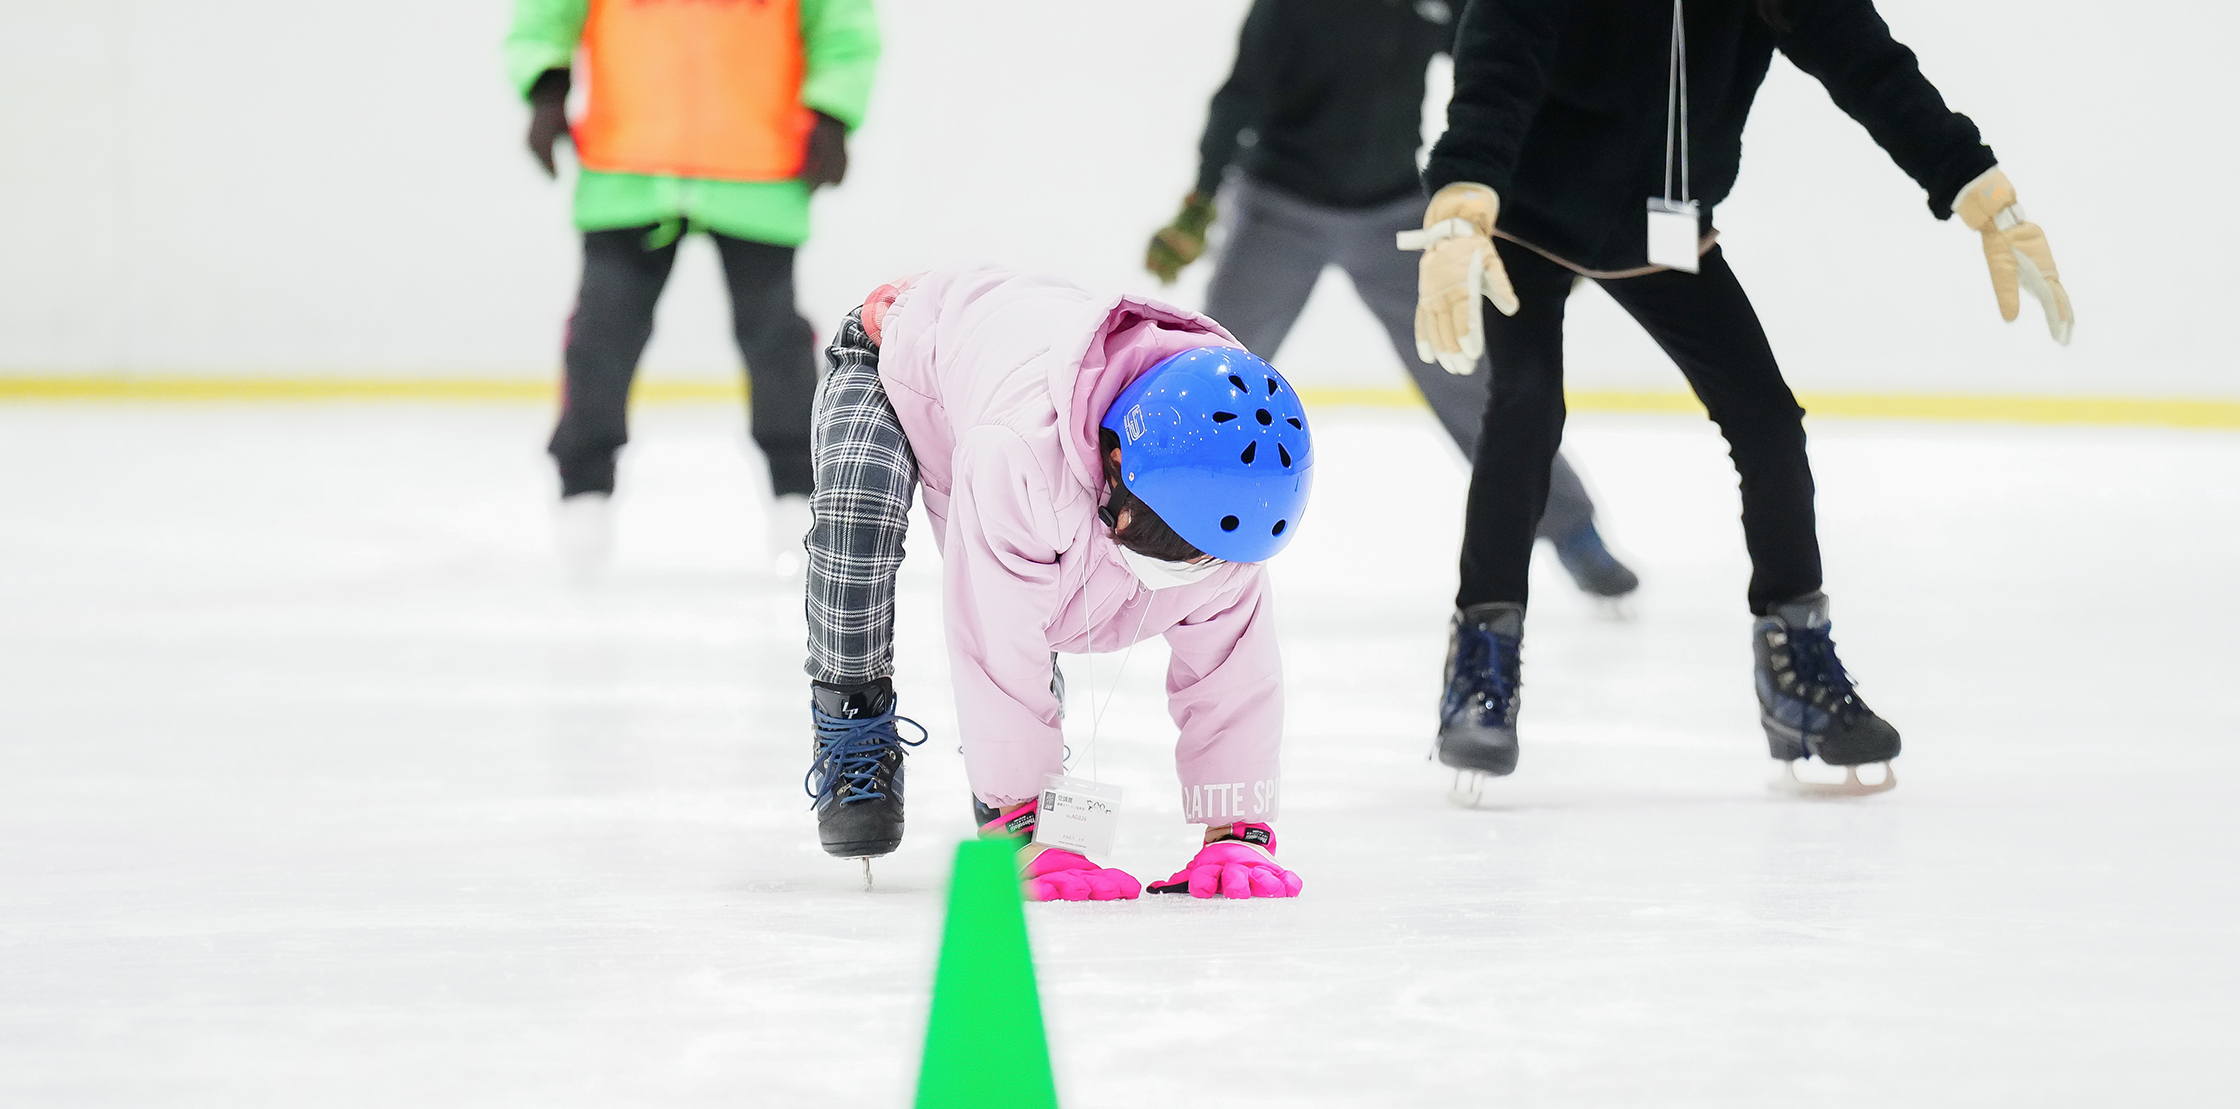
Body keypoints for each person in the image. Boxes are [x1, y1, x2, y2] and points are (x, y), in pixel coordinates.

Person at [1406, 0, 2072, 794]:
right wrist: (1461, 197)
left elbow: (1867, 65)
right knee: (1526, 404)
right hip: (1520, 219)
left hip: (1660, 230)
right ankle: (1481, 664)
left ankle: (1797, 669)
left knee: (1767, 422)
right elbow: (1499, 55)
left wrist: (1982, 188)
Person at [801, 266, 1311, 900]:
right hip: (898, 360)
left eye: (1202, 560)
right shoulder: (1021, 457)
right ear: (1118, 463)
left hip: (1017, 378)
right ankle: (851, 706)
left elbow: (1235, 673)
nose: (1183, 569)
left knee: (1060, 588)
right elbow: (996, 639)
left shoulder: (1233, 507)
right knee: (859, 524)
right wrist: (1020, 826)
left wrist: (1238, 830)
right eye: (1162, 546)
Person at [1144, 0, 1638, 602]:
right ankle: (1150, 524)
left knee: (1470, 376)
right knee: (1214, 373)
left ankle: (1572, 530)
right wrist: (1201, 200)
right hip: (1279, 209)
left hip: (1396, 215)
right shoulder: (1284, 8)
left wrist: (1552, 175)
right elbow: (1238, 96)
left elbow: (1495, 67)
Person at [504, 0, 880, 577]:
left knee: (775, 338)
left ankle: (797, 491)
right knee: (601, 335)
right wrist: (546, 85)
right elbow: (545, 14)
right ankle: (583, 487)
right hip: (628, 168)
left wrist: (832, 112)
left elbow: (842, 24)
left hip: (758, 169)